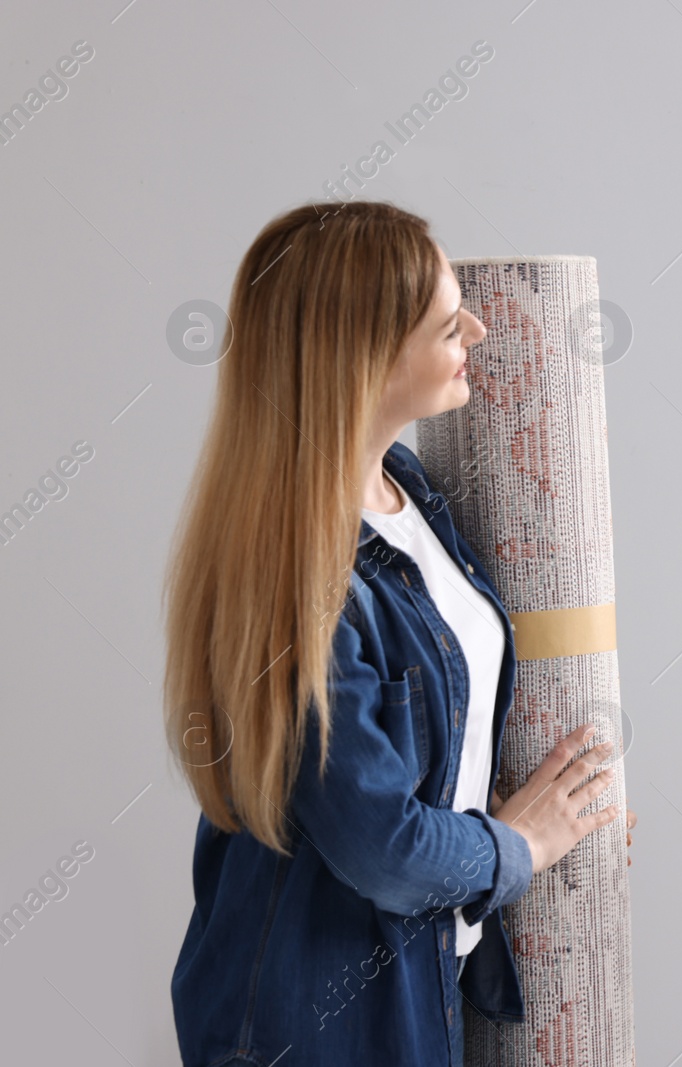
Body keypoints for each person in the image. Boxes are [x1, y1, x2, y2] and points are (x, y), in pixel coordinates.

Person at [163, 200, 634, 1066]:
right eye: (451, 324)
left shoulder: (409, 489)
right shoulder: (295, 580)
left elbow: (435, 731)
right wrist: (521, 844)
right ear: (367, 359)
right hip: (313, 1022)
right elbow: (383, 845)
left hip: (416, 987)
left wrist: (548, 811)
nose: (481, 330)